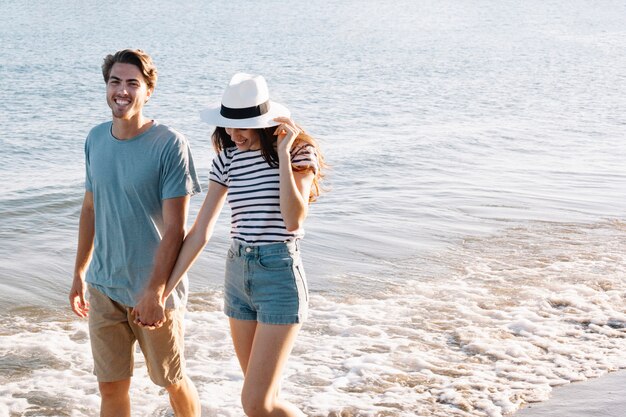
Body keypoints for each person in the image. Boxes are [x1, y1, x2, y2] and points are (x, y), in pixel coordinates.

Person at [163, 73, 325, 416]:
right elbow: (201, 229)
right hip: (237, 273)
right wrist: (164, 289)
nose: (233, 135)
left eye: (243, 126)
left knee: (256, 403)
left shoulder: (298, 152)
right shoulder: (227, 158)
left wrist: (282, 155)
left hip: (278, 273)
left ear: (264, 123)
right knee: (262, 401)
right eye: (228, 126)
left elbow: (295, 218)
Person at [68, 49, 201, 417]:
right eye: (115, 82)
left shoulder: (169, 144)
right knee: (110, 387)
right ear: (106, 86)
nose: (121, 91)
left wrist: (156, 291)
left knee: (171, 381)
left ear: (148, 91)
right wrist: (79, 272)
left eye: (132, 83)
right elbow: (90, 209)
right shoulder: (95, 139)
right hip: (104, 286)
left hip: (153, 291)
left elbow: (176, 229)